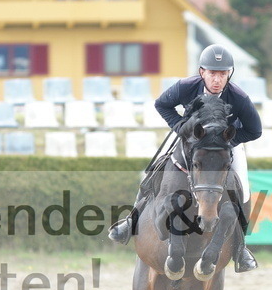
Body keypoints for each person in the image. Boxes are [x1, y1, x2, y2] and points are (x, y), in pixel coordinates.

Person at [108, 44, 261, 273]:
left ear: (229, 74)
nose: (217, 79)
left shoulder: (238, 97)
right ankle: (130, 220)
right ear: (202, 72)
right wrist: (180, 126)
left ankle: (241, 248)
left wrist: (226, 141)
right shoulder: (186, 87)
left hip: (222, 148)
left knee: (244, 188)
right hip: (190, 140)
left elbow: (255, 130)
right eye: (212, 73)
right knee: (153, 169)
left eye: (222, 74)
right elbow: (162, 104)